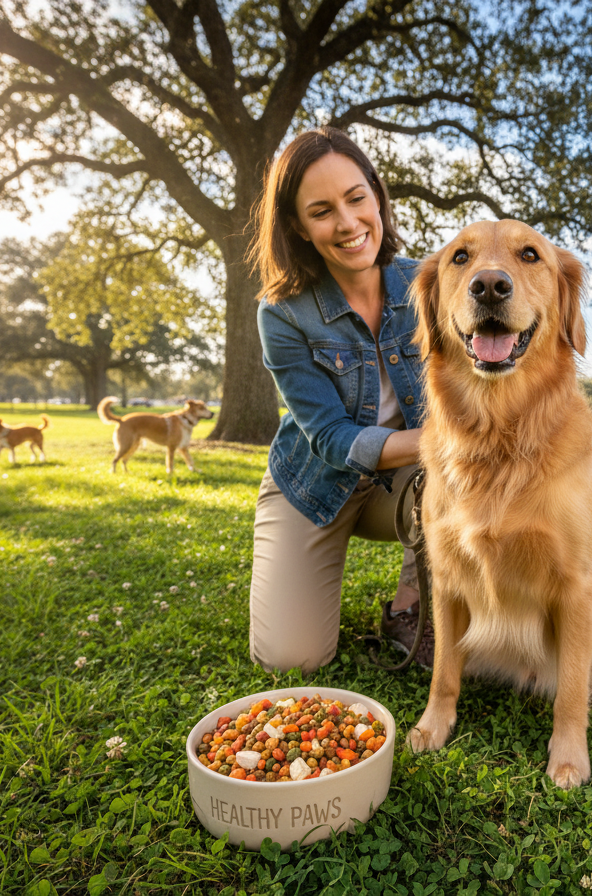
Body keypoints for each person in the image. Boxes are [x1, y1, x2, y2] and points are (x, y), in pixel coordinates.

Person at [246, 126, 429, 673]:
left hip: (408, 483)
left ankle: (410, 606)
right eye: (321, 210)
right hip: (313, 485)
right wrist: (445, 441)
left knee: (461, 473)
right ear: (298, 226)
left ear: (376, 195)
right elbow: (329, 438)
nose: (348, 224)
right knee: (291, 659)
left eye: (356, 198)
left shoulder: (429, 283)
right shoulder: (281, 313)